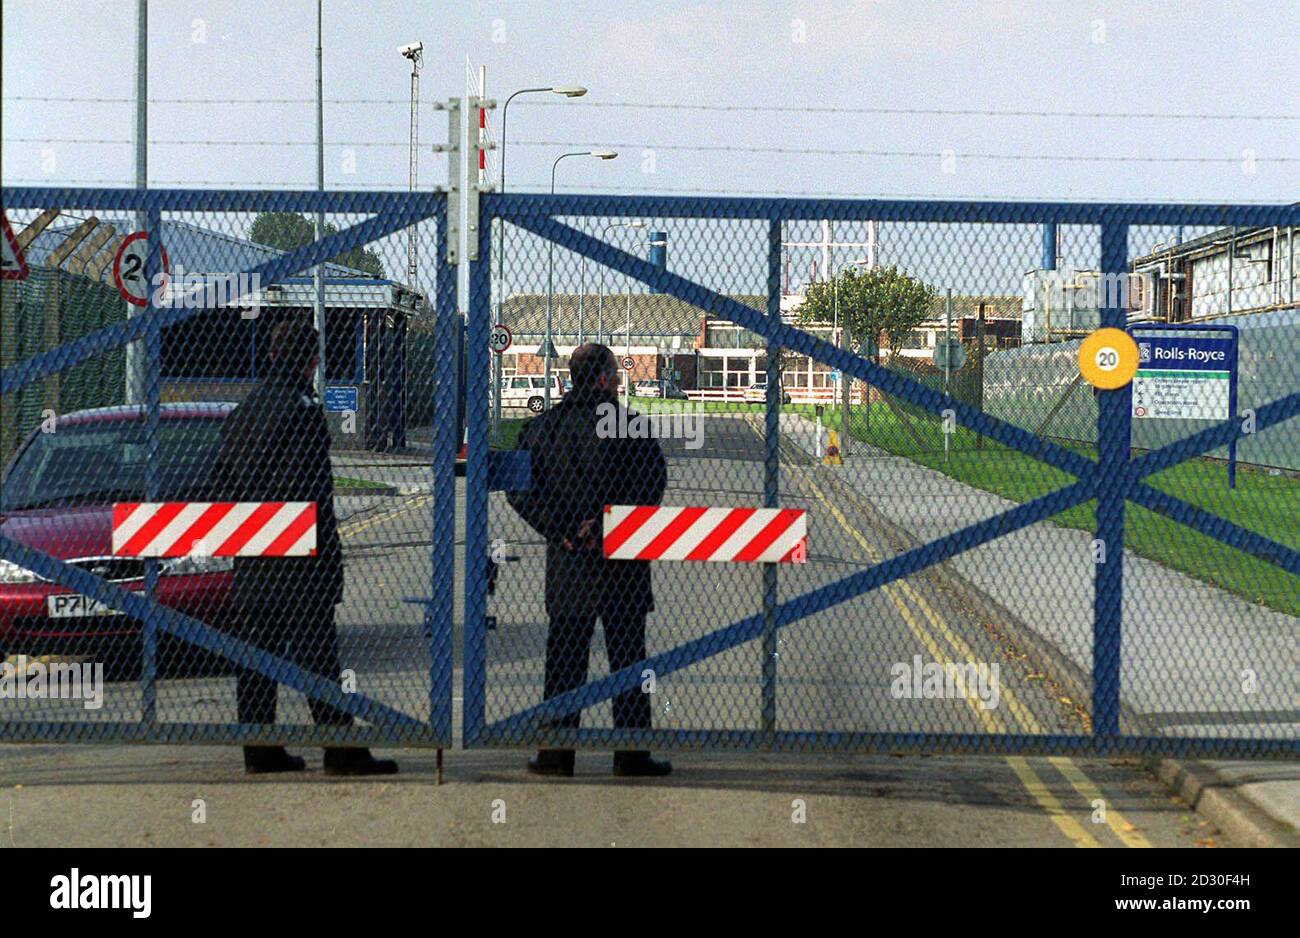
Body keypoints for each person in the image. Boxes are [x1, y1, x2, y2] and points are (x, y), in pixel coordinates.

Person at [209, 319, 397, 776]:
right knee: (318, 657)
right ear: (311, 360)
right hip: (301, 560)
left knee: (257, 657)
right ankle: (341, 749)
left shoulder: (243, 413)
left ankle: (259, 749)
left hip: (253, 557)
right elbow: (313, 492)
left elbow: (220, 483)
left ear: (272, 354)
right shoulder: (304, 413)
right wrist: (327, 557)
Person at [507, 343, 671, 778]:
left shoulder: (542, 429)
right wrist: (606, 525)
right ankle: (632, 755)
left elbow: (520, 491)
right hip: (620, 563)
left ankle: (556, 754)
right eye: (615, 375)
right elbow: (652, 483)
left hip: (569, 564)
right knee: (628, 659)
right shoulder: (627, 426)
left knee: (564, 657)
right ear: (602, 379)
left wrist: (562, 526)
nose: (618, 381)